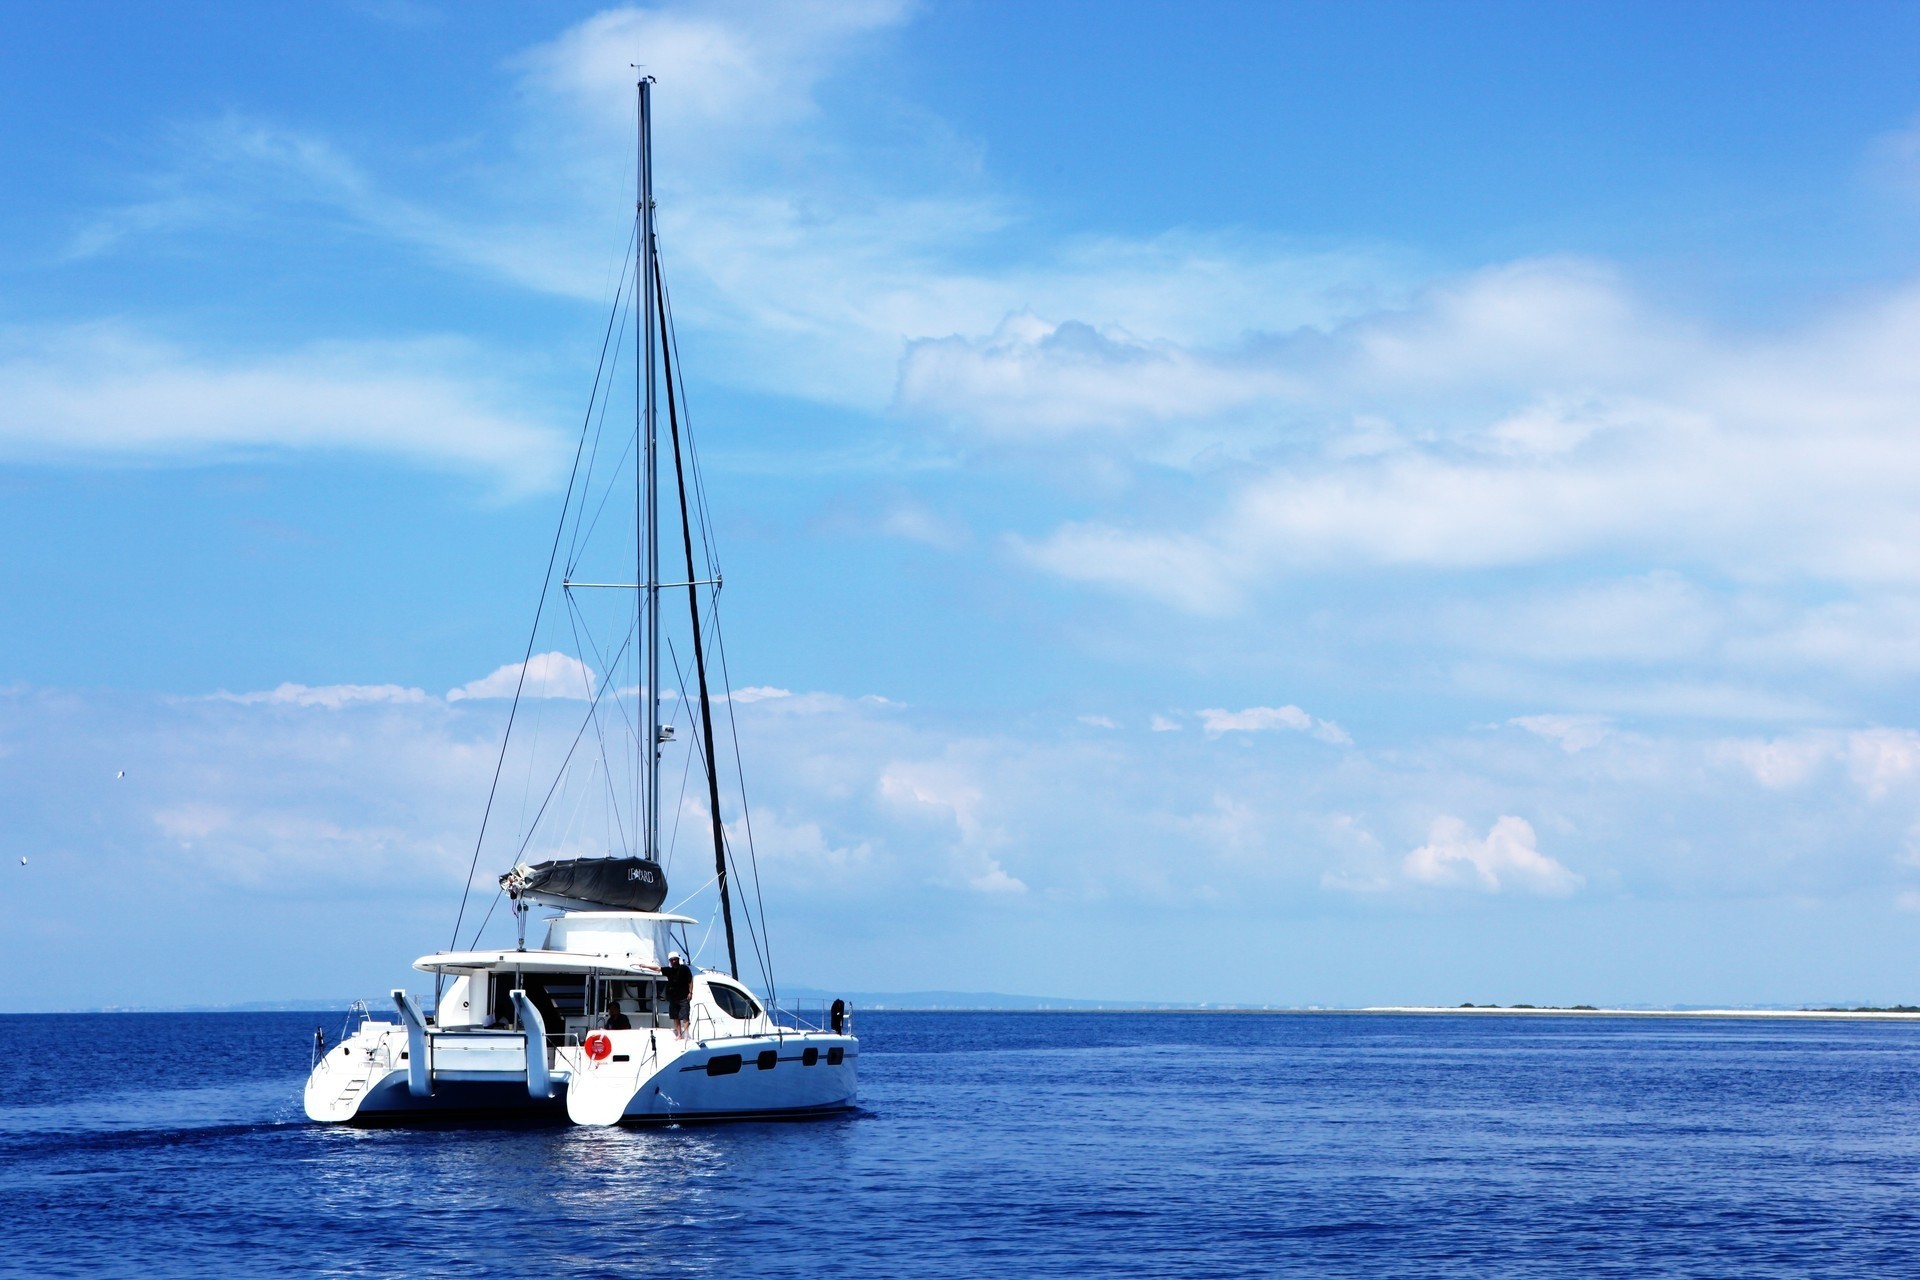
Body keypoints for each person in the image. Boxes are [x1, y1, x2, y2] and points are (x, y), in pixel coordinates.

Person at [663, 951, 694, 1039]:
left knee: (685, 1016)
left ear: (678, 959)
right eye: (672, 960)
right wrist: (644, 966)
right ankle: (679, 1034)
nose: (674, 961)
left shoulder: (684, 968)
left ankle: (686, 1035)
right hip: (673, 997)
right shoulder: (669, 970)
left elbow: (690, 981)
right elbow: (657, 969)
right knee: (675, 1017)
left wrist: (690, 992)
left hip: (684, 997)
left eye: (675, 959)